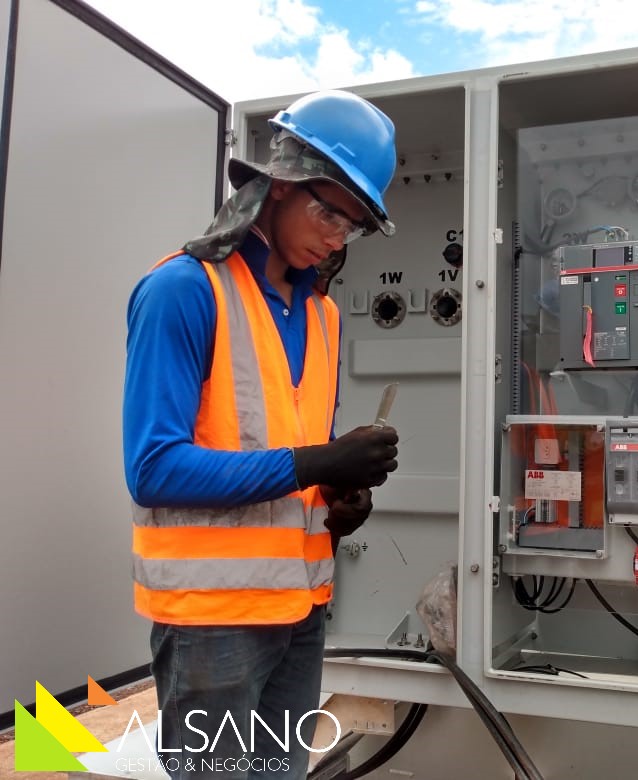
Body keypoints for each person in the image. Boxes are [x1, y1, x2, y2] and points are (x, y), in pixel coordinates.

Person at [122, 90, 400, 779]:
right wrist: (316, 461)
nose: (337, 237)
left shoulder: (324, 317)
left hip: (300, 613)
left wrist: (338, 494)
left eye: (354, 226)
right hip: (212, 622)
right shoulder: (184, 291)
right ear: (278, 185)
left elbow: (288, 447)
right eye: (329, 212)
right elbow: (153, 469)